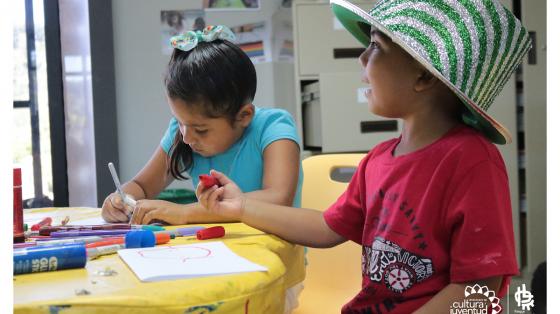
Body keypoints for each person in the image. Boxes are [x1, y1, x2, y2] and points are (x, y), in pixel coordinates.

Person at [196, 1, 532, 313]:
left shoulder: (472, 161)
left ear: (424, 76)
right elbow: (328, 227)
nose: (361, 57)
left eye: (376, 46)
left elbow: (479, 288)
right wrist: (241, 207)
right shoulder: (379, 159)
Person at [102, 25, 303, 225]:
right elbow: (142, 186)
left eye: (201, 130)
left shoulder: (274, 127)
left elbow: (278, 199)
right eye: (180, 123)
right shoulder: (183, 133)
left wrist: (185, 213)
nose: (187, 138)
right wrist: (121, 199)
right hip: (217, 249)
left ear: (244, 116)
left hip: (272, 253)